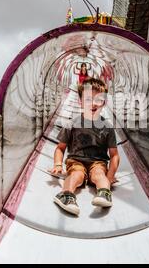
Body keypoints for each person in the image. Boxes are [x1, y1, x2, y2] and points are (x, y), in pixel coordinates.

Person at [50, 77, 120, 216]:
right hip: (76, 160)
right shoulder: (72, 123)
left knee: (99, 174)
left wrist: (110, 176)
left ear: (104, 102)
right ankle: (66, 195)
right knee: (77, 174)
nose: (93, 104)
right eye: (88, 99)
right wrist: (58, 164)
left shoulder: (107, 128)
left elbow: (114, 155)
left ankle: (104, 193)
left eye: (98, 99)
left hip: (98, 162)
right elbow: (60, 148)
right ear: (80, 102)